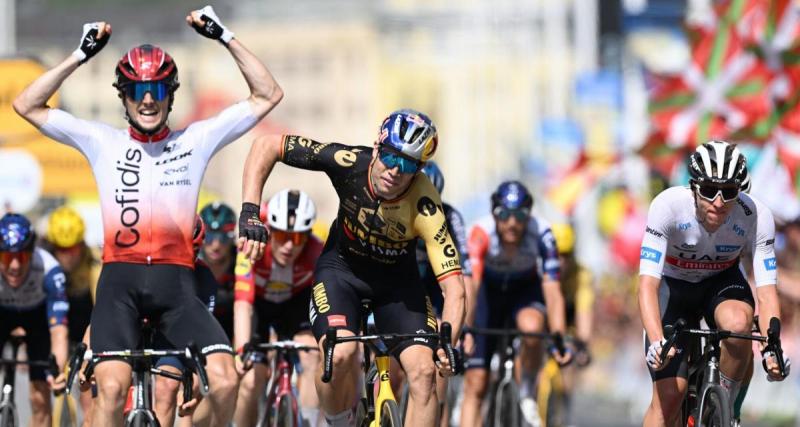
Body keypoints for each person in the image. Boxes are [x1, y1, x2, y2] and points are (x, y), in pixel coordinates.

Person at [13, 5, 283, 425]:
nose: (148, 100)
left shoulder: (196, 139)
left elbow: (268, 95)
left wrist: (223, 34)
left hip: (177, 285)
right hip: (119, 283)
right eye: (137, 90)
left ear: (170, 94)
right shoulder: (101, 141)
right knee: (112, 388)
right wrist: (79, 56)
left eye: (157, 89)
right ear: (123, 96)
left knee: (227, 380)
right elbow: (26, 105)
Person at [238, 109, 466, 427]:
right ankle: (339, 421)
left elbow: (454, 288)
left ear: (419, 169)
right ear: (376, 148)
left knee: (426, 371)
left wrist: (448, 342)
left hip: (397, 286)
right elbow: (266, 145)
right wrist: (250, 211)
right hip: (342, 272)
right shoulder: (347, 162)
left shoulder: (426, 206)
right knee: (339, 354)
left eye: (408, 164)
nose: (395, 171)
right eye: (390, 156)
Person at [638, 140, 789, 427]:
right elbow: (647, 285)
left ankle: (726, 410)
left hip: (720, 283)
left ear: (740, 190)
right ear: (694, 186)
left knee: (739, 323)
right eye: (709, 191)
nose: (719, 202)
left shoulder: (756, 216)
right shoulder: (667, 207)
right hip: (674, 286)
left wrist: (772, 348)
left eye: (729, 192)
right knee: (670, 397)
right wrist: (657, 340)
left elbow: (767, 293)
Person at [460, 181, 571, 427]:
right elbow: (472, 287)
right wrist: (465, 330)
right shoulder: (480, 232)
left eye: (520, 215)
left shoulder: (542, 233)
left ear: (529, 215)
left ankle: (528, 387)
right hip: (488, 293)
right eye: (505, 215)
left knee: (532, 328)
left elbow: (553, 291)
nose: (512, 223)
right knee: (476, 381)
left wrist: (558, 337)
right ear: (494, 213)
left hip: (524, 291)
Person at [232, 189, 324, 427]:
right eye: (282, 236)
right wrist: (241, 349)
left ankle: (309, 421)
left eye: (297, 238)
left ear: (308, 237)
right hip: (259, 309)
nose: (289, 247)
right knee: (251, 380)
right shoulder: (251, 249)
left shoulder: (316, 253)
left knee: (312, 354)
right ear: (269, 231)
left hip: (294, 306)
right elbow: (243, 303)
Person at [0, 213, 69, 427]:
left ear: (32, 252)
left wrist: (58, 371)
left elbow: (59, 331)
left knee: (40, 398)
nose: (14, 265)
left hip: (36, 319)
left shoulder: (49, 269)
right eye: (5, 257)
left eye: (22, 257)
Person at [43, 205, 101, 426]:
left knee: (89, 399)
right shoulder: (45, 264)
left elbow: (100, 308)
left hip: (87, 336)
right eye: (61, 249)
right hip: (55, 334)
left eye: (73, 249)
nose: (68, 255)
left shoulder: (94, 262)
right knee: (40, 395)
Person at [542, 222, 595, 425]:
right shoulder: (541, 270)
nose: (561, 261)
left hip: (570, 321)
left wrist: (583, 344)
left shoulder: (582, 275)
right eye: (556, 255)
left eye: (566, 255)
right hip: (545, 319)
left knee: (569, 361)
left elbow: (584, 312)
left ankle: (565, 408)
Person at [199, 201, 239, 339]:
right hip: (199, 324)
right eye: (209, 237)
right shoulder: (191, 260)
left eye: (222, 238)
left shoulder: (240, 260)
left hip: (234, 325)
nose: (216, 245)